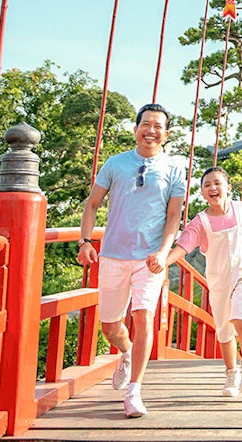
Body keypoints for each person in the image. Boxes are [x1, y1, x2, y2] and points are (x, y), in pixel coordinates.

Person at [77, 103, 186, 418]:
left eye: (158, 126)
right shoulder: (115, 164)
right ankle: (124, 353)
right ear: (136, 128)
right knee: (110, 325)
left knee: (142, 316)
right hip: (112, 254)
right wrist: (85, 241)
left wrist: (164, 252)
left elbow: (174, 217)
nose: (151, 130)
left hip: (149, 258)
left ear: (165, 134)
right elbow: (93, 204)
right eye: (146, 124)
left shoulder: (175, 169)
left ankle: (134, 392)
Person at [163, 166, 242, 397]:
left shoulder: (241, 209)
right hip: (219, 281)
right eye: (207, 185)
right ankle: (231, 373)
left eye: (217, 183)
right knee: (224, 331)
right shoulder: (200, 222)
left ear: (228, 188)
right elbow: (183, 246)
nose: (212, 188)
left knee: (241, 316)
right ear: (202, 192)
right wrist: (163, 263)